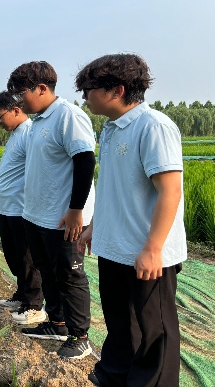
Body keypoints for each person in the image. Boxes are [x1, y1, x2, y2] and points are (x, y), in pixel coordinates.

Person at [75, 54, 186, 387]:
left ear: (117, 90)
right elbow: (116, 187)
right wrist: (95, 226)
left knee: (154, 332)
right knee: (120, 324)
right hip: (115, 248)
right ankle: (114, 377)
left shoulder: (154, 127)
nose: (85, 97)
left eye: (89, 89)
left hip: (147, 252)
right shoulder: (111, 129)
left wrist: (153, 249)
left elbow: (170, 191)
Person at [6, 61, 96, 359]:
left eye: (21, 94)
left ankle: (79, 336)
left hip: (63, 217)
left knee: (69, 275)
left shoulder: (68, 116)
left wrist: (76, 209)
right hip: (36, 215)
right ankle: (56, 323)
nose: (18, 101)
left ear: (42, 88)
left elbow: (85, 162)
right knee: (46, 271)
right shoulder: (39, 121)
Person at [0, 91, 45, 325]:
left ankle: (34, 305)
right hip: (8, 208)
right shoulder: (16, 134)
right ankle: (22, 294)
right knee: (13, 256)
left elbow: (37, 171)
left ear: (16, 110)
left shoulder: (30, 133)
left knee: (26, 258)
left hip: (21, 208)